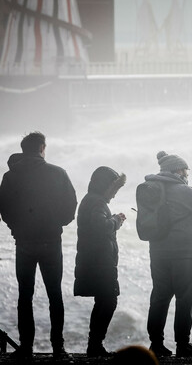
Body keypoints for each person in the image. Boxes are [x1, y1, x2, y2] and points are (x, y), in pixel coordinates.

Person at [0, 132, 77, 358]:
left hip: (23, 242)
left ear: (24, 150)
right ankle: (58, 348)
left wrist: (16, 227)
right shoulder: (57, 172)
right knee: (55, 295)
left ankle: (26, 348)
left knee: (25, 295)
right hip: (51, 240)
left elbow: (3, 208)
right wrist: (57, 222)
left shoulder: (10, 176)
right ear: (42, 148)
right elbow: (70, 205)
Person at [144, 151, 192, 358]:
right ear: (178, 170)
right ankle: (183, 344)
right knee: (185, 298)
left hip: (157, 252)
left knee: (160, 297)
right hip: (184, 254)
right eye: (185, 170)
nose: (187, 174)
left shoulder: (152, 187)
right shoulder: (183, 190)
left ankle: (156, 344)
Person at [74, 166, 126, 357]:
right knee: (108, 301)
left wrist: (113, 219)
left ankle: (94, 345)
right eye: (113, 190)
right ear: (104, 186)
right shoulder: (97, 203)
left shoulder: (92, 200)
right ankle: (95, 345)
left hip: (94, 260)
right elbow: (100, 227)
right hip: (99, 263)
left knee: (104, 301)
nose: (113, 195)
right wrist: (116, 220)